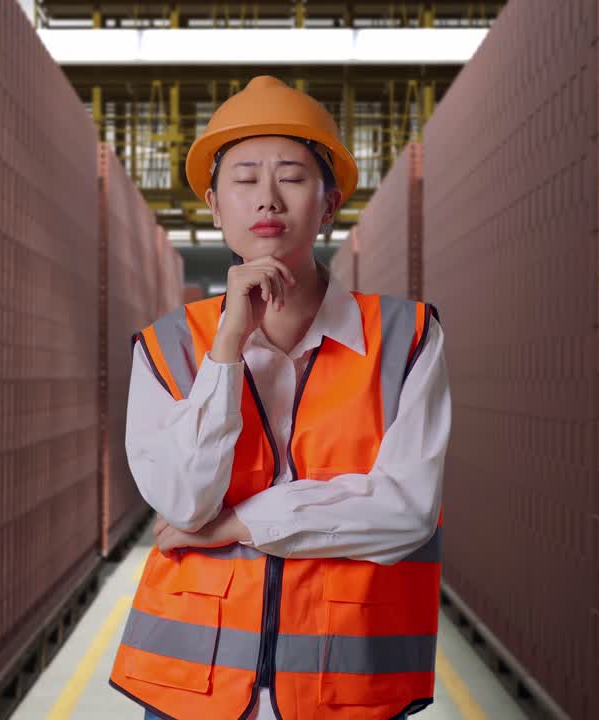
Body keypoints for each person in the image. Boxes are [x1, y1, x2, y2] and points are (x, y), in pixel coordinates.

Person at [109, 75, 452, 720]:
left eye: (292, 175)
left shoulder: (406, 337)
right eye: (243, 178)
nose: (266, 196)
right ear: (214, 206)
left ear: (329, 203)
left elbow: (406, 510)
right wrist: (227, 349)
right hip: (190, 690)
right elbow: (184, 498)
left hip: (346, 688)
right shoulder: (167, 347)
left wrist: (235, 526)